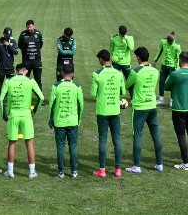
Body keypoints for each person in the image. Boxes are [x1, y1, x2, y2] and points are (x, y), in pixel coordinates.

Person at [0, 62, 44, 179]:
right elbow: (41, 97)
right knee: (29, 143)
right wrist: (34, 111)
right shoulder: (30, 81)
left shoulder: (9, 81)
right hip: (26, 115)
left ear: (16, 71)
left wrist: (4, 114)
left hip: (13, 114)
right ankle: (32, 172)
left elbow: (2, 97)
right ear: (25, 71)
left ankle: (10, 171)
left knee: (12, 143)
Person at [125, 47, 163, 173]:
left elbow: (127, 85)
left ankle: (137, 165)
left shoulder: (136, 71)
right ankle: (159, 164)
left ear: (138, 58)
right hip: (152, 105)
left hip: (140, 107)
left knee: (138, 134)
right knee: (155, 134)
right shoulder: (155, 70)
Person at [91, 49, 125, 178]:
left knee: (103, 139)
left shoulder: (97, 74)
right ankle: (117, 169)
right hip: (115, 110)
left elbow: (93, 94)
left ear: (100, 59)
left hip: (103, 110)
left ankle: (102, 170)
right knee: (116, 138)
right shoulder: (118, 73)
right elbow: (122, 90)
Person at [163, 51, 188, 170]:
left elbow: (166, 86)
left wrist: (175, 87)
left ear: (180, 60)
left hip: (178, 109)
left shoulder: (175, 74)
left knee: (181, 135)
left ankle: (185, 163)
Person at [48, 62, 84, 178]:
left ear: (62, 73)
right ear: (73, 74)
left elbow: (51, 105)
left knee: (60, 146)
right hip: (73, 121)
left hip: (59, 121)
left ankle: (61, 171)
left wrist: (50, 119)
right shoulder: (77, 86)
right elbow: (81, 105)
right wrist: (79, 119)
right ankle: (74, 171)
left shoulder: (56, 86)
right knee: (73, 146)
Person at [0, 27, 18, 107]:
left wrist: (8, 45)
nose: (7, 36)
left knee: (11, 85)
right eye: (6, 34)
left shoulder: (13, 41)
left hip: (10, 68)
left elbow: (15, 52)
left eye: (9, 35)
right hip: (1, 68)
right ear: (3, 34)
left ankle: (10, 101)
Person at [18, 20, 44, 99]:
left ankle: (40, 98)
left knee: (38, 80)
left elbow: (41, 45)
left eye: (30, 26)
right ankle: (25, 98)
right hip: (26, 62)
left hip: (37, 61)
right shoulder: (23, 34)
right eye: (27, 27)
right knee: (25, 80)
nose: (29, 28)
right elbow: (20, 45)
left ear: (34, 26)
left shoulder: (38, 34)